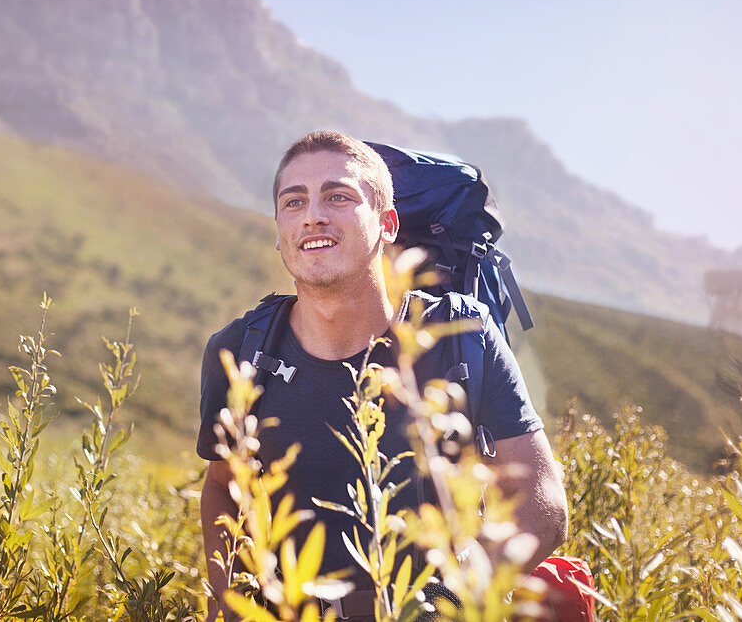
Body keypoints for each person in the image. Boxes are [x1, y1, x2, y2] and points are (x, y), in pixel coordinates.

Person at [198, 131, 568, 620]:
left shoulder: (462, 337)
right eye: (293, 202)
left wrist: (453, 600)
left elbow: (542, 503)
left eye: (339, 196)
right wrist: (231, 609)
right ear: (280, 231)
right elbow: (224, 487)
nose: (313, 214)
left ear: (387, 223)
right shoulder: (242, 350)